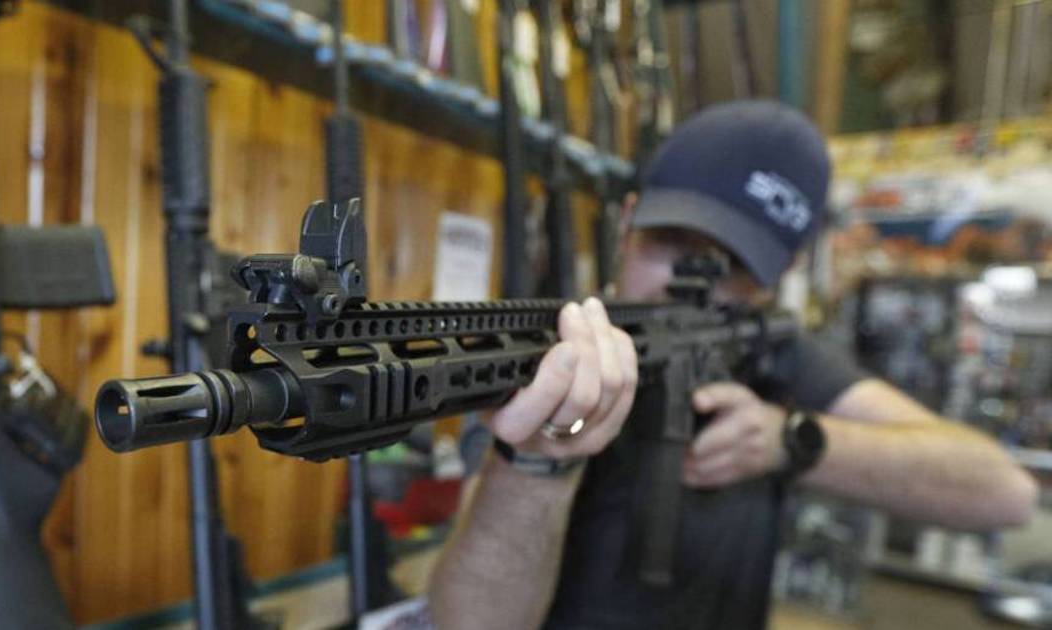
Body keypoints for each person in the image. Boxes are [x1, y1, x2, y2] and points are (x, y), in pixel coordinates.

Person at [427, 101, 1038, 630]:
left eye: (735, 264)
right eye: (672, 239)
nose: (689, 280)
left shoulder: (776, 354)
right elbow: (469, 622)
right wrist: (536, 463)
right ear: (627, 219)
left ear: (783, 274)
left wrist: (789, 440)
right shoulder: (556, 356)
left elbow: (1005, 494)